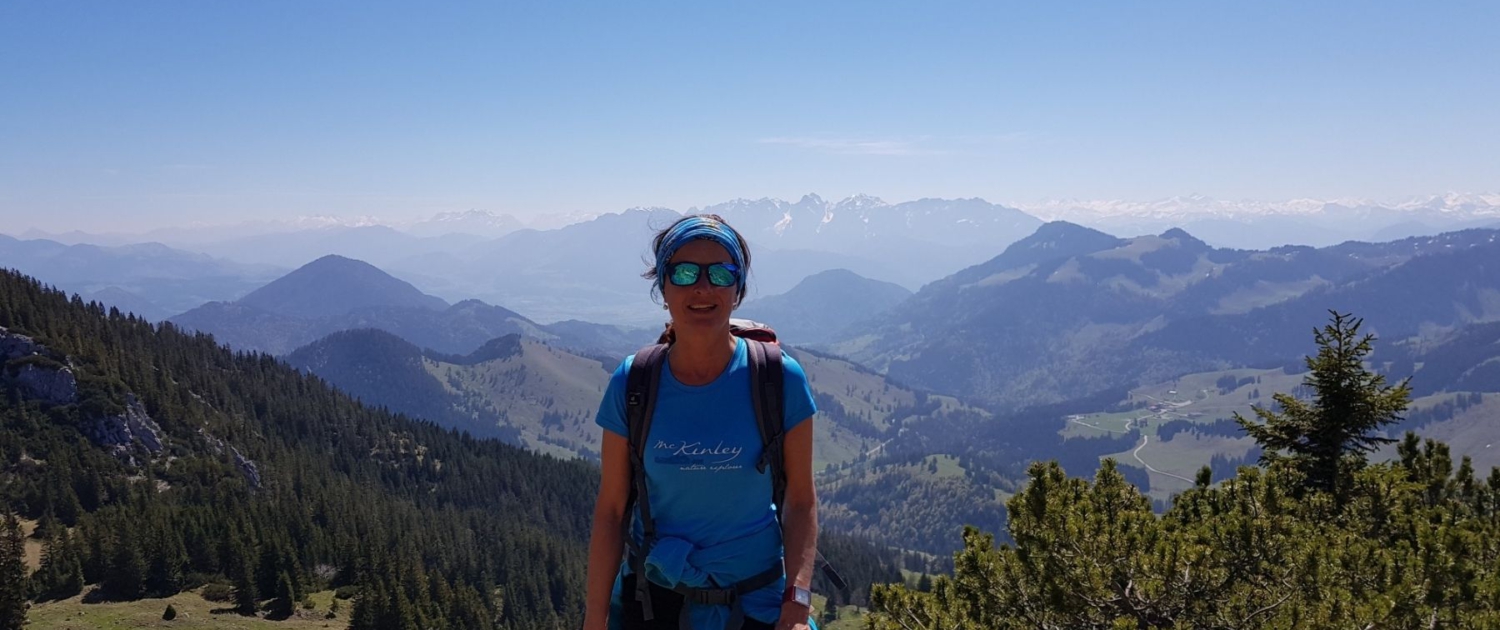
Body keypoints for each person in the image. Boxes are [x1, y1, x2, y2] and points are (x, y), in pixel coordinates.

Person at [584, 215, 819, 630]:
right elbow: (612, 510)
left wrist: (797, 603)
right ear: (663, 285)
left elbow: (800, 500)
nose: (702, 287)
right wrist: (594, 620)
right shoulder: (633, 382)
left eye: (721, 273)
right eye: (685, 271)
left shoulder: (779, 379)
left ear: (738, 287)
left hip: (759, 605)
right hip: (656, 604)